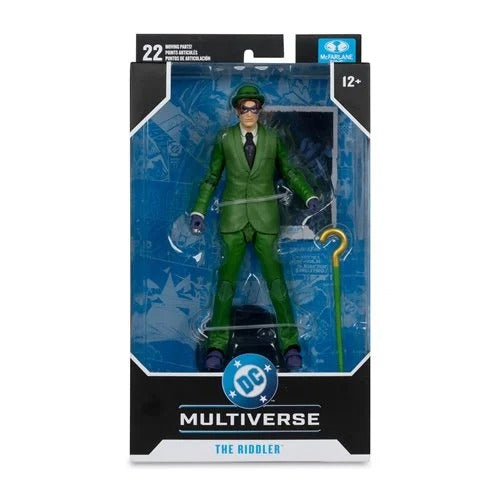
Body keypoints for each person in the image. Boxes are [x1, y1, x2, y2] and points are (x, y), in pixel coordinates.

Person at [190, 84, 319, 371]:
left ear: (260, 110)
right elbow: (212, 177)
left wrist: (308, 194)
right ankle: (217, 345)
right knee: (225, 285)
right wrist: (199, 210)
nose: (249, 113)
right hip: (233, 218)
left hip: (265, 218)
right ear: (236, 110)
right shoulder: (224, 139)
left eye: (254, 108)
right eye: (244, 108)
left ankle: (290, 344)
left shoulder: (272, 138)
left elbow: (289, 170)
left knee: (277, 284)